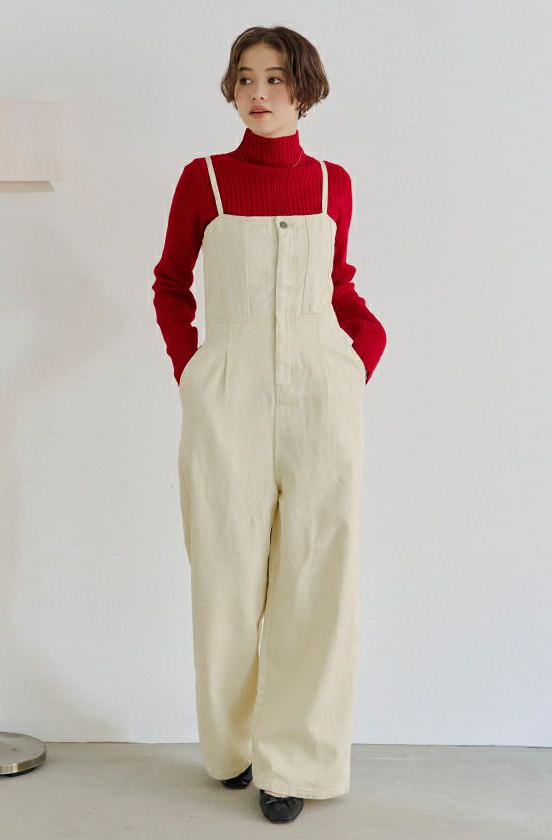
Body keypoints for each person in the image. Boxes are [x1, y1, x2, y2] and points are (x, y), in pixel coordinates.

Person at [152, 25, 387, 824]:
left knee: (318, 575)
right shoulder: (204, 181)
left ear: (304, 88)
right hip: (229, 395)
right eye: (246, 77)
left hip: (323, 394)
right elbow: (170, 284)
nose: (259, 92)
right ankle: (233, 748)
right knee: (225, 574)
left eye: (277, 78)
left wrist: (360, 358)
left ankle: (294, 766)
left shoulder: (330, 183)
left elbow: (340, 288)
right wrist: (193, 371)